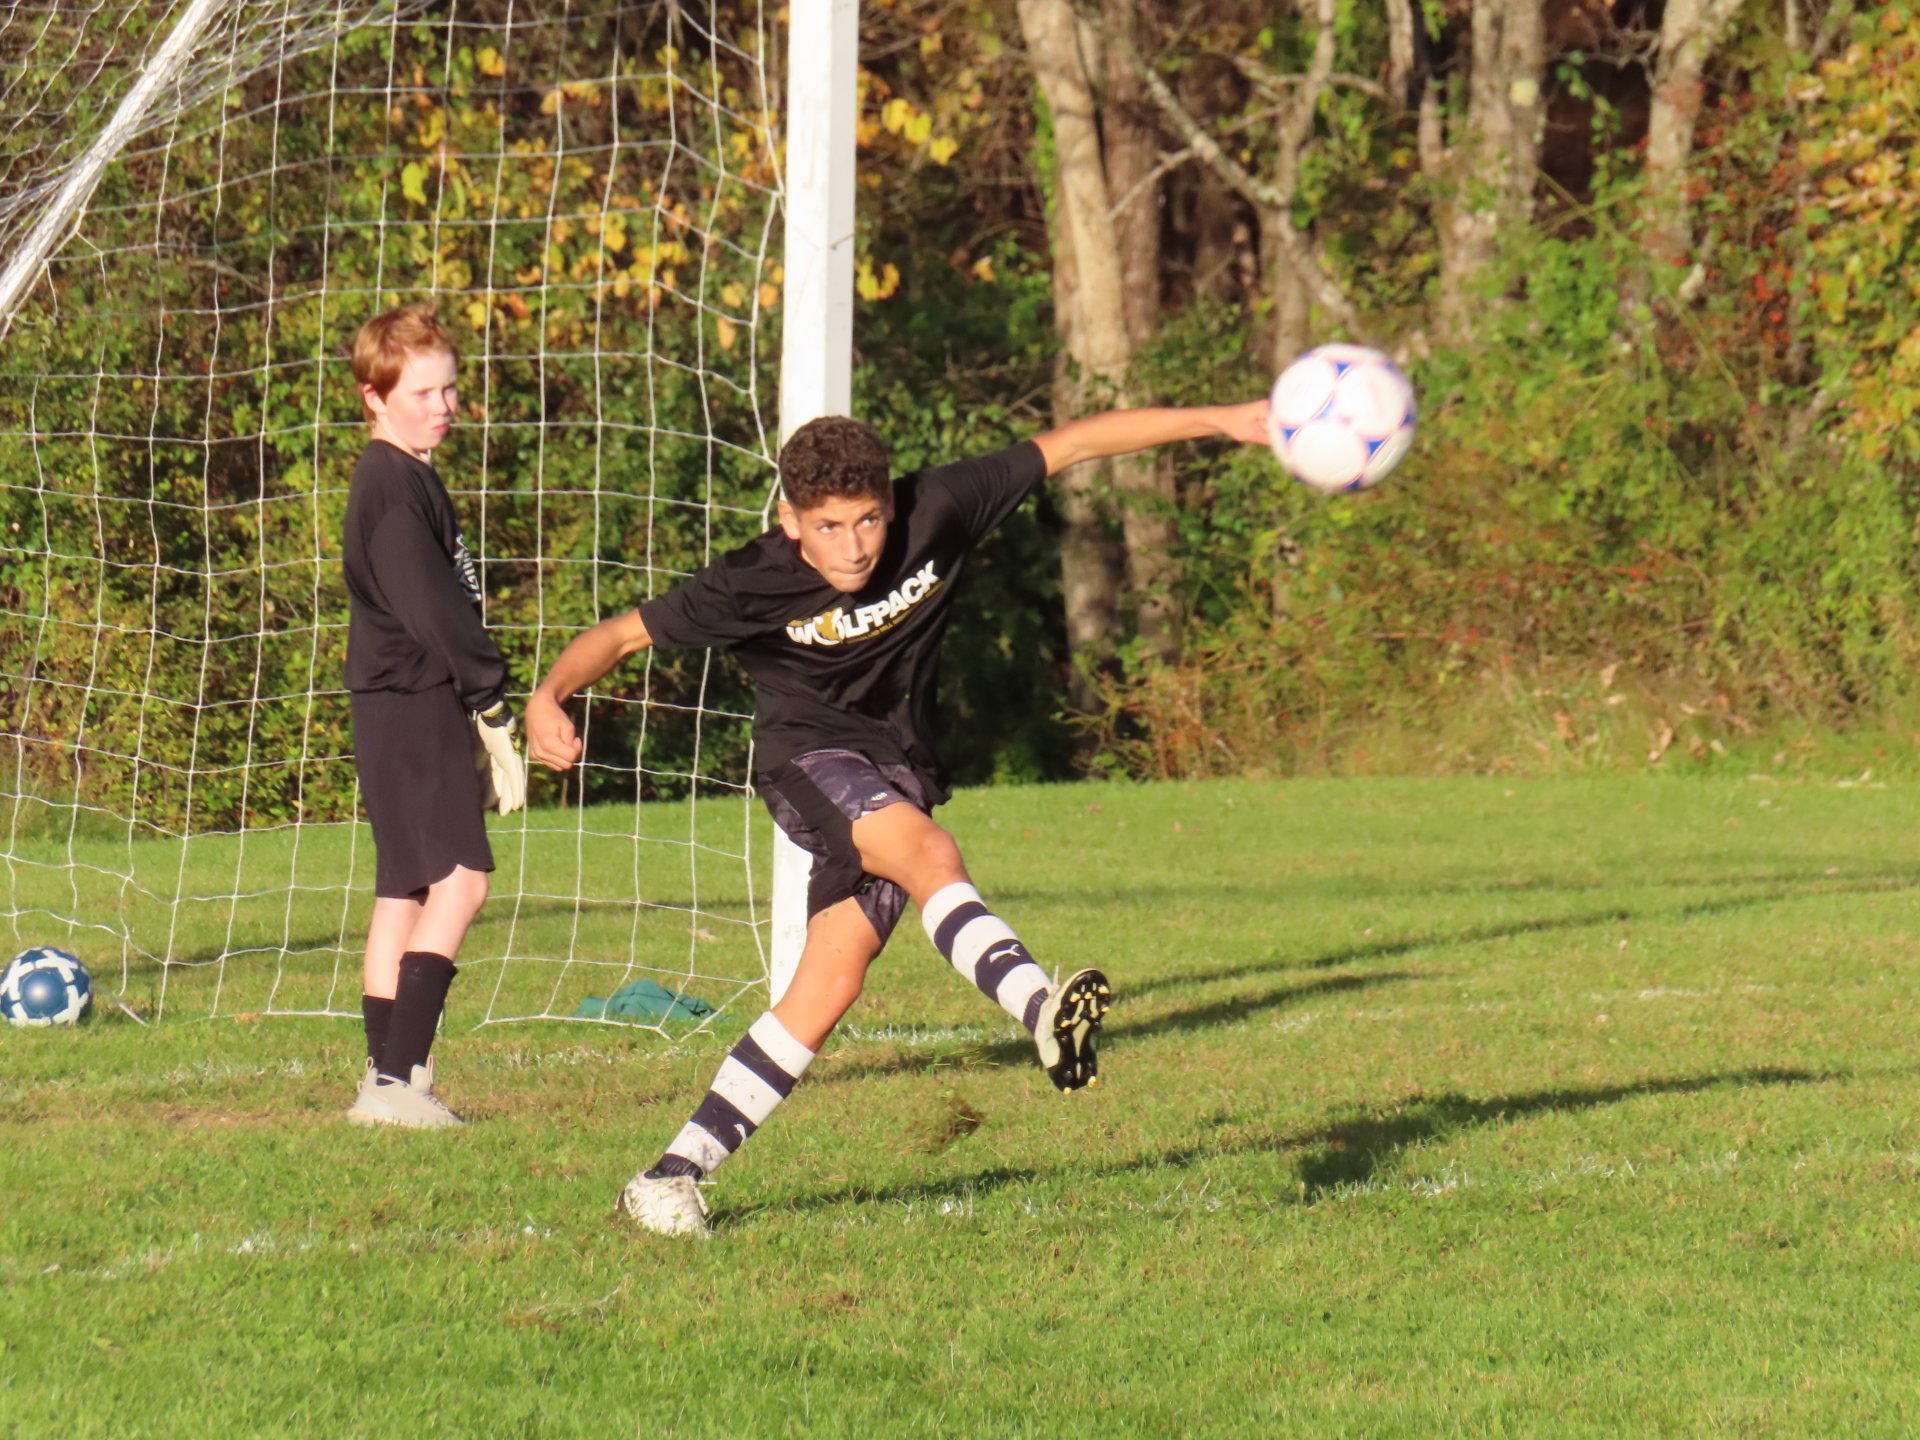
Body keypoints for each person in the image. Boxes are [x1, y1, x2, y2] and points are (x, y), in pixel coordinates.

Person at [526, 400, 1270, 1233]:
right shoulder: (750, 580)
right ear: (790, 520)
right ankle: (1040, 1012)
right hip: (808, 760)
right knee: (929, 853)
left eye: (869, 519)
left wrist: (1233, 420)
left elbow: (1078, 442)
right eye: (830, 526)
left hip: (898, 764)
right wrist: (549, 694)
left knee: (830, 981)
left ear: (892, 500)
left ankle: (669, 1175)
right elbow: (623, 636)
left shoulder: (941, 506)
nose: (853, 546)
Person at [340, 303, 526, 1128]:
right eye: (424, 392)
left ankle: (383, 1080)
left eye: (450, 390)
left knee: (404, 891)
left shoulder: (409, 474)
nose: (444, 407)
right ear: (375, 396)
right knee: (463, 882)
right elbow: (430, 610)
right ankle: (396, 1081)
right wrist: (491, 701)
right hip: (412, 702)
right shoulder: (391, 485)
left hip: (398, 703)